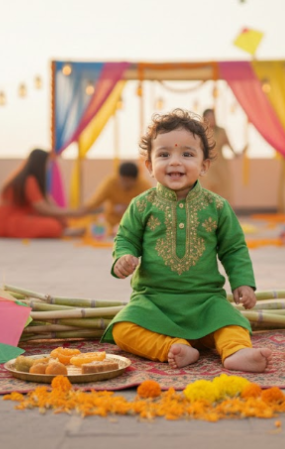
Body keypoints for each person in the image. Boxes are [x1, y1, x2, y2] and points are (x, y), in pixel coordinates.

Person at [101, 108, 271, 373]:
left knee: (233, 324)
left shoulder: (217, 206)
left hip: (206, 301)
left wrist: (243, 283)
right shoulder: (141, 205)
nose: (175, 162)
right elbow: (125, 239)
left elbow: (233, 248)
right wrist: (123, 258)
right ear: (149, 165)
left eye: (187, 154)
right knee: (122, 330)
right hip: (153, 302)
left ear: (204, 166)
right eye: (164, 154)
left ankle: (236, 352)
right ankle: (173, 347)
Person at [0, 149, 70, 238]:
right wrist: (75, 213)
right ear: (40, 164)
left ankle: (63, 230)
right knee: (53, 226)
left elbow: (50, 204)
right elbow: (43, 209)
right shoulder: (29, 181)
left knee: (60, 221)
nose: (48, 168)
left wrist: (63, 218)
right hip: (8, 223)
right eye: (47, 164)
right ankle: (63, 232)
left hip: (15, 220)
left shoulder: (32, 180)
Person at [64, 162, 151, 229]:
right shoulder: (111, 182)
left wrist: (129, 208)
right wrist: (74, 213)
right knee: (88, 226)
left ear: (136, 180)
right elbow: (93, 203)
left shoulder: (144, 186)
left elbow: (151, 207)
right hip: (110, 221)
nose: (125, 184)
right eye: (123, 181)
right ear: (119, 177)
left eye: (129, 181)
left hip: (134, 222)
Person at [200, 109, 242, 202]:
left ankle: (223, 214)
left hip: (221, 165)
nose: (212, 119)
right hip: (207, 166)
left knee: (223, 190)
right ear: (204, 119)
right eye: (209, 117)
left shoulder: (221, 131)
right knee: (207, 191)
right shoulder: (201, 133)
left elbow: (229, 146)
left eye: (213, 117)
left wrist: (236, 153)